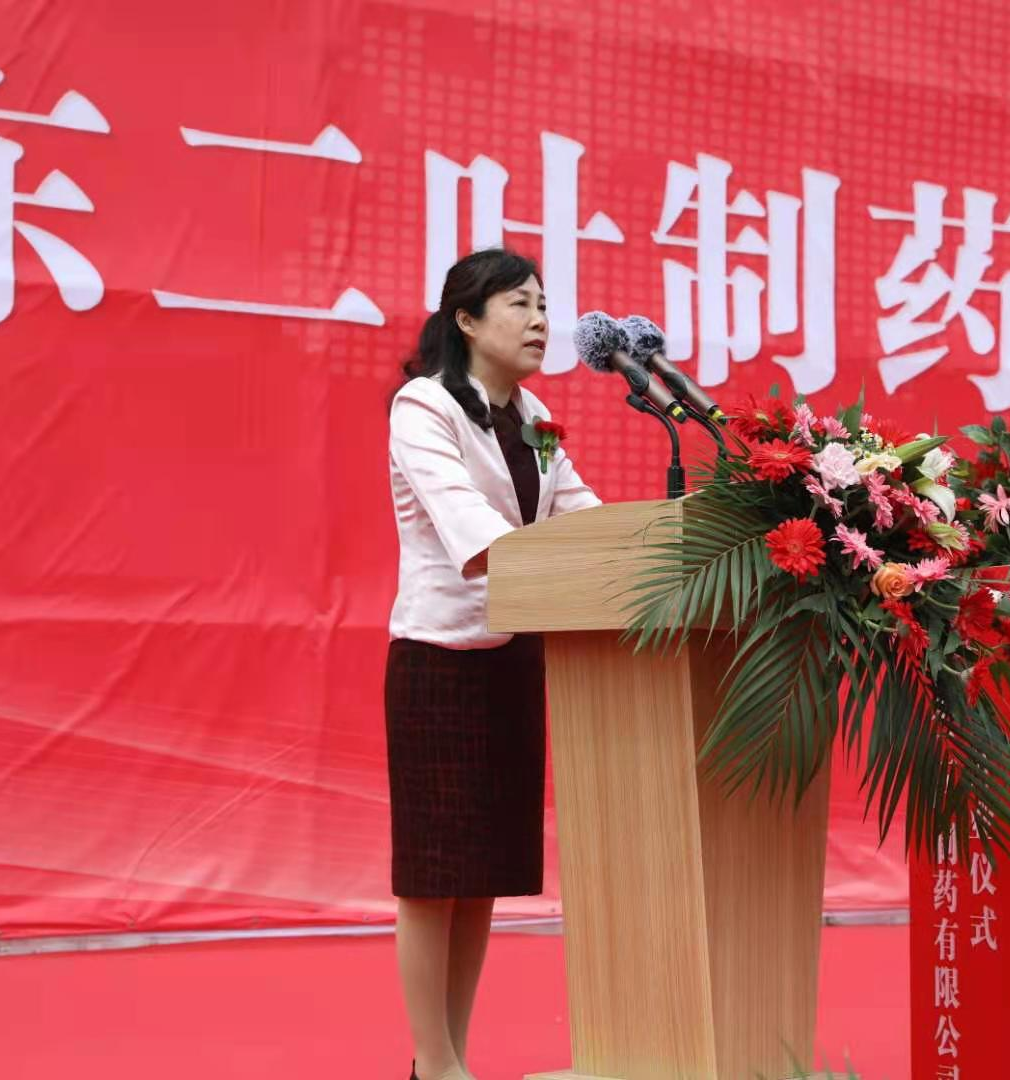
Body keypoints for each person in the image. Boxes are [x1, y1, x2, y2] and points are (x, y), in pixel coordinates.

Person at [384, 247, 600, 1080]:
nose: (541, 321)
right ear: (466, 320)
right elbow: (472, 537)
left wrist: (655, 548)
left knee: (479, 875)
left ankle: (451, 1059)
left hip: (515, 658)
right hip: (440, 660)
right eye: (520, 304)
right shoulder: (424, 407)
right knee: (431, 874)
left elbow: (582, 519)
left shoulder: (534, 417)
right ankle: (432, 1063)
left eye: (544, 305)